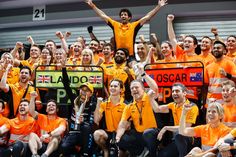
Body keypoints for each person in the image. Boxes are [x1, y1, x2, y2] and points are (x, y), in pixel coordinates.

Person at [85, 0, 167, 60]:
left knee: (134, 71)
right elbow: (103, 16)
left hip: (130, 56)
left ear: (129, 17)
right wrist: (93, 5)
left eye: (125, 15)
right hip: (118, 55)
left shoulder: (134, 25)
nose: (123, 16)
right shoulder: (115, 24)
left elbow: (147, 17)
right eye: (121, 15)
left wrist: (158, 6)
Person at [115, 64, 159, 157]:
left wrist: (143, 74)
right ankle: (139, 153)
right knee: (122, 140)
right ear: (130, 92)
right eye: (132, 88)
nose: (134, 90)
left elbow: (155, 88)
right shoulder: (129, 106)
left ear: (143, 89)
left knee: (148, 133)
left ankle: (153, 154)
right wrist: (118, 137)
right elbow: (122, 124)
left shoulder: (148, 97)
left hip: (154, 133)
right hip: (139, 134)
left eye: (137, 87)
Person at [144, 83, 199, 157]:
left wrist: (166, 128)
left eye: (177, 91)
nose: (174, 93)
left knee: (179, 134)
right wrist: (150, 98)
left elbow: (185, 127)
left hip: (190, 138)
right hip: (176, 138)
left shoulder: (192, 106)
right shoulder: (173, 105)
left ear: (184, 93)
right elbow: (157, 109)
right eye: (173, 91)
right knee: (162, 155)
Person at [61, 64, 97, 157]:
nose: (83, 91)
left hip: (85, 133)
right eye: (82, 89)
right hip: (73, 132)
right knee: (64, 147)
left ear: (91, 93)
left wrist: (83, 122)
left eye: (86, 90)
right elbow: (66, 84)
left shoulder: (93, 104)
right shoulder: (74, 99)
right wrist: (63, 68)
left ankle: (84, 153)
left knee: (86, 127)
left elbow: (93, 122)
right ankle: (76, 150)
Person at [93, 79, 126, 157]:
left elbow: (127, 126)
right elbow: (96, 120)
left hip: (122, 134)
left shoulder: (126, 105)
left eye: (115, 86)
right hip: (108, 133)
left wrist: (118, 136)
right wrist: (98, 104)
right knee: (97, 134)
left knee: (120, 154)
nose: (112, 88)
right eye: (111, 86)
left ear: (121, 89)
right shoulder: (104, 104)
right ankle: (105, 150)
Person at [28, 92, 67, 157]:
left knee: (55, 137)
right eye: (49, 105)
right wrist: (32, 98)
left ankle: (45, 155)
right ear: (46, 109)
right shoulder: (41, 117)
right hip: (41, 144)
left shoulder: (61, 120)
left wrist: (49, 135)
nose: (51, 106)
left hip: (53, 147)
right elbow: (31, 111)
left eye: (53, 105)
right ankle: (34, 155)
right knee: (32, 135)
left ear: (57, 109)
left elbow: (61, 129)